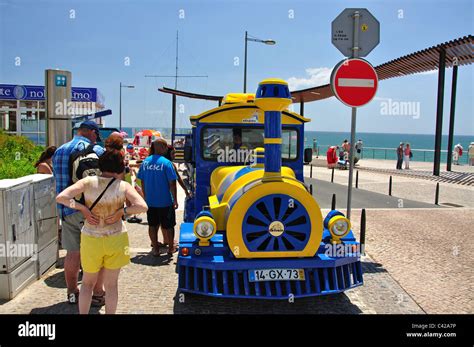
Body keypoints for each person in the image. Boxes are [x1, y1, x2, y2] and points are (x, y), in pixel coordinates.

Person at [56, 148, 148, 314]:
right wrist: (122, 212)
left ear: (101, 165)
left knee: (87, 283)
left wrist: (82, 208)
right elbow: (142, 206)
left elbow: (61, 197)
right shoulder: (123, 186)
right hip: (116, 238)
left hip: (91, 237)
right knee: (111, 285)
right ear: (120, 167)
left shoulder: (88, 182)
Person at [52, 120, 106, 305]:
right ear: (91, 132)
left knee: (72, 253)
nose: (95, 138)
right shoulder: (96, 150)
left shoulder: (59, 151)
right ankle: (97, 293)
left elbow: (58, 183)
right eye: (95, 135)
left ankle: (72, 292)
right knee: (97, 254)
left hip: (67, 209)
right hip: (90, 211)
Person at [137, 137, 178, 257]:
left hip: (150, 201)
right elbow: (172, 183)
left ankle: (155, 249)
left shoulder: (145, 162)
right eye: (165, 147)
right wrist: (175, 199)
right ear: (160, 147)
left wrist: (145, 196)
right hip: (165, 201)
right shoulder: (166, 163)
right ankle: (171, 248)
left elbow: (142, 181)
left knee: (152, 225)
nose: (166, 149)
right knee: (169, 225)